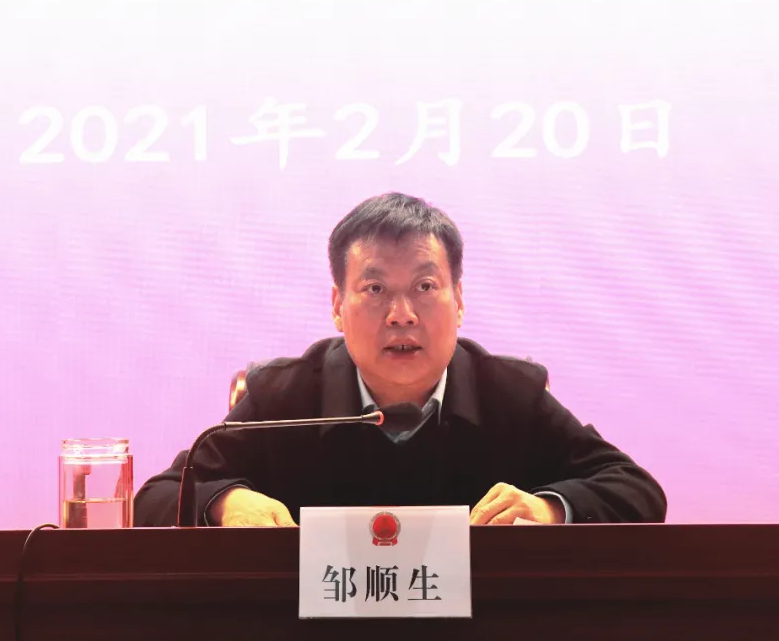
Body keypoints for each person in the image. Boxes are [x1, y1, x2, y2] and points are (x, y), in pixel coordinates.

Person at [134, 192, 666, 527]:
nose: (401, 314)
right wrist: (224, 504)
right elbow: (156, 497)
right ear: (337, 306)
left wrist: (547, 508)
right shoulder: (284, 395)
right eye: (375, 289)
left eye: (425, 286)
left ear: (459, 300)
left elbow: (636, 489)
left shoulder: (508, 393)